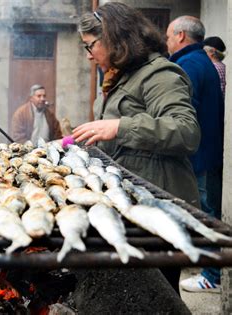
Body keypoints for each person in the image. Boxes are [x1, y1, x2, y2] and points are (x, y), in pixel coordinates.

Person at [72, 3, 201, 293]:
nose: (89, 56)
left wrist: (120, 126)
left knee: (159, 295)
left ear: (115, 38)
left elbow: (186, 131)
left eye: (90, 46)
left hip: (161, 202)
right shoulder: (121, 76)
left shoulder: (160, 74)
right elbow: (112, 133)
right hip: (133, 201)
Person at [166, 16, 225, 293]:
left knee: (204, 214)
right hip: (208, 151)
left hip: (197, 155)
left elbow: (182, 116)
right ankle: (210, 270)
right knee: (206, 211)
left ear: (180, 36)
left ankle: (212, 275)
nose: (167, 42)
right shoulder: (203, 61)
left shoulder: (187, 65)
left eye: (168, 36)